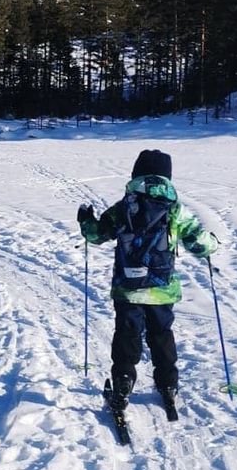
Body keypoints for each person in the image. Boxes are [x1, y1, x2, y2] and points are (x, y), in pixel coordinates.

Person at [77, 149, 217, 414]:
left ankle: (123, 384)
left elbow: (96, 236)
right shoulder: (175, 209)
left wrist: (85, 220)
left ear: (136, 174)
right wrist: (212, 245)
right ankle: (167, 384)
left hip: (127, 288)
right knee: (161, 334)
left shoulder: (124, 206)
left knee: (127, 334)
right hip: (162, 289)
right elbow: (199, 243)